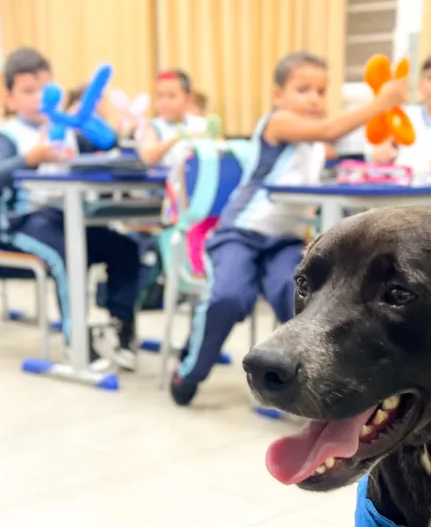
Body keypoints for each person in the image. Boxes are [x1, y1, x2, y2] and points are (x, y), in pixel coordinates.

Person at [170, 51, 409, 405]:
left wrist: (378, 156)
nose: (313, 98)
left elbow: (338, 153)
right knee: (230, 297)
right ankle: (190, 371)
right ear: (277, 94)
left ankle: (306, 379)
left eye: (320, 91)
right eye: (303, 89)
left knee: (302, 300)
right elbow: (330, 129)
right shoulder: (277, 123)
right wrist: (381, 102)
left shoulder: (315, 144)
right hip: (241, 234)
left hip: (284, 242)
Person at [0, 47, 142, 369]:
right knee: (66, 255)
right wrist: (32, 158)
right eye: (28, 91)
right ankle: (77, 341)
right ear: (11, 97)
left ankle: (119, 329)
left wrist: (107, 129)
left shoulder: (69, 130)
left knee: (125, 248)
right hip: (20, 223)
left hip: (71, 218)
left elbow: (107, 146)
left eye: (44, 88)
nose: (38, 98)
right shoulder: (8, 136)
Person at [136, 69, 208, 165]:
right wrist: (176, 138)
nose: (164, 102)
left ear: (188, 100)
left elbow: (220, 149)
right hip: (166, 178)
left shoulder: (200, 123)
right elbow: (147, 157)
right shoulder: (155, 126)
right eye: (160, 96)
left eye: (171, 96)